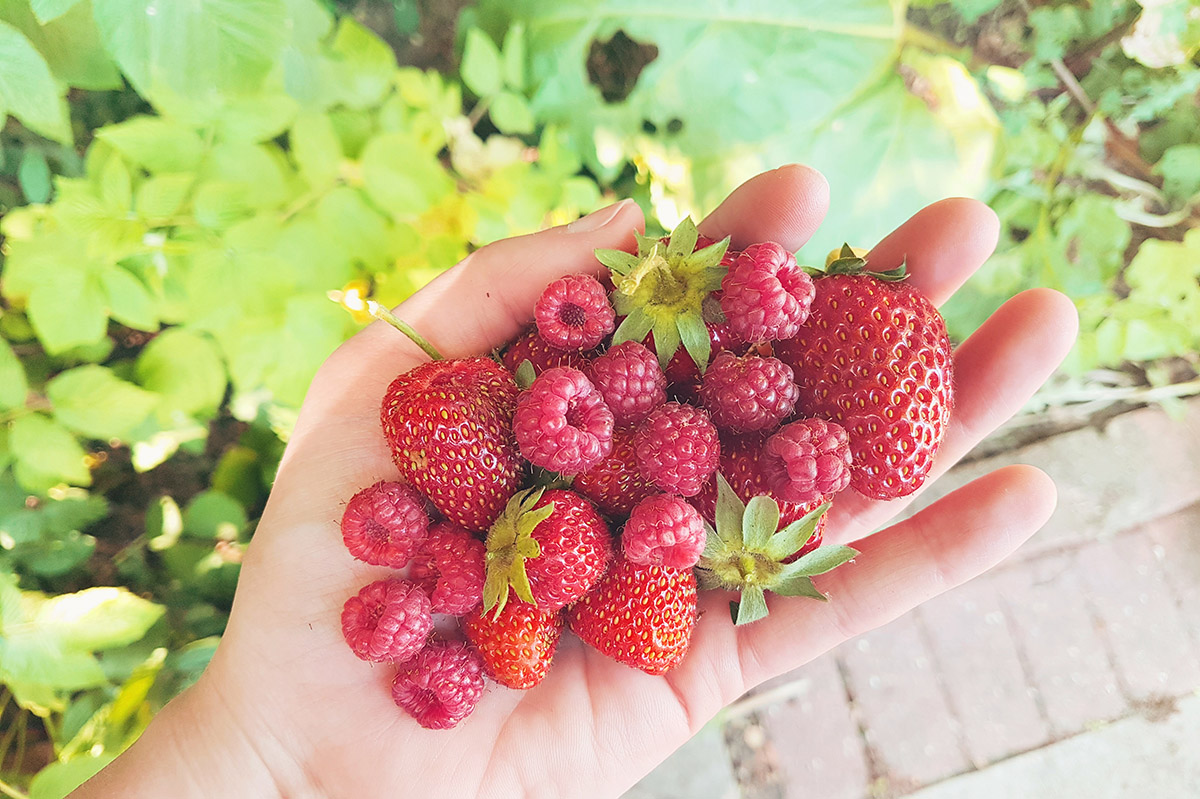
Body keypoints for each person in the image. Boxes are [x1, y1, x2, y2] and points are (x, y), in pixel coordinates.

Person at [72, 165, 1078, 798]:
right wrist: (259, 750)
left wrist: (260, 758)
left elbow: (669, 469)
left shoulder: (680, 451)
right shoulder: (548, 497)